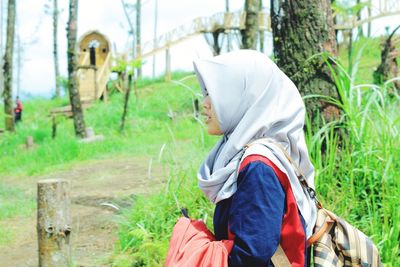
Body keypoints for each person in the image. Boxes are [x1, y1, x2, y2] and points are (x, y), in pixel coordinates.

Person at [194, 50, 317, 266]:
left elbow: (251, 256)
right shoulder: (257, 154)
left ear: (244, 98)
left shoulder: (258, 167)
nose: (204, 103)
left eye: (214, 93)